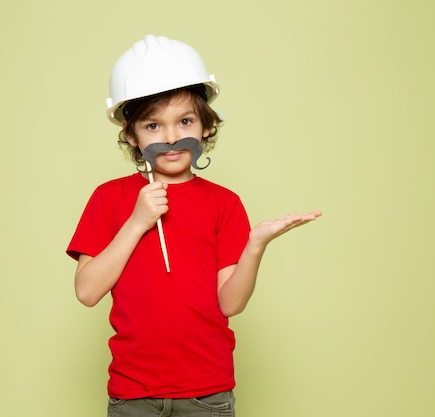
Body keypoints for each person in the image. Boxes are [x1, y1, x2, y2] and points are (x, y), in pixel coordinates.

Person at [66, 34, 321, 417]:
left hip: (208, 393)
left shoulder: (225, 203)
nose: (170, 137)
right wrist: (137, 222)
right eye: (153, 126)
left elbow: (230, 303)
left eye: (184, 121)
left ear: (205, 127)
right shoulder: (110, 198)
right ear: (131, 135)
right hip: (132, 394)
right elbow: (86, 292)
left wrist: (256, 245)